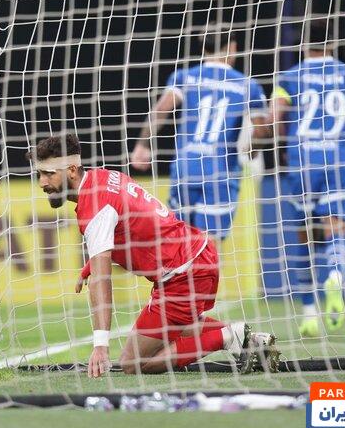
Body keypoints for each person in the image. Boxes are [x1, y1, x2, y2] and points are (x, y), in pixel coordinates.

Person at [30, 134, 279, 378]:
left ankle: (228, 337)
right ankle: (249, 340)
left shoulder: (95, 206)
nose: (42, 183)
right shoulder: (103, 177)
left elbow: (102, 280)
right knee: (177, 328)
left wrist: (100, 345)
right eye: (39, 174)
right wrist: (90, 266)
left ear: (72, 170)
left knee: (133, 363)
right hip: (196, 254)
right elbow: (131, 228)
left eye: (49, 174)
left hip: (183, 273)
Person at [269, 20, 345, 337]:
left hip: (302, 162)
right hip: (338, 160)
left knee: (305, 236)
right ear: (333, 44)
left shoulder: (289, 77)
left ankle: (309, 313)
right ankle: (335, 276)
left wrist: (282, 149)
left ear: (302, 45)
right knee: (336, 228)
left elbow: (274, 120)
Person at [129, 30, 270, 240]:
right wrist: (253, 150)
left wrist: (142, 144)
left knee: (180, 242)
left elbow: (160, 110)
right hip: (220, 172)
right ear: (232, 48)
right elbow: (261, 131)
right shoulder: (248, 86)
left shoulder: (184, 77)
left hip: (186, 168)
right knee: (207, 247)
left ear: (203, 49)